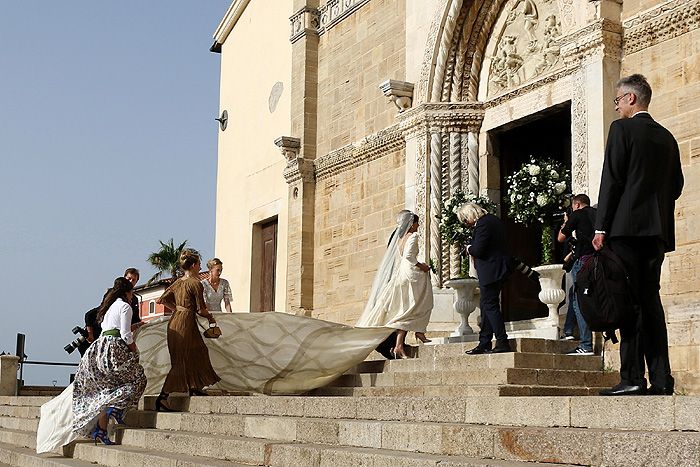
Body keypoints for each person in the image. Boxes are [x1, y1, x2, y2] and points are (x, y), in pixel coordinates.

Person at [593, 74, 684, 396]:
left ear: (631, 99)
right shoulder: (667, 137)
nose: (616, 106)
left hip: (625, 232)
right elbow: (676, 187)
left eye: (617, 100)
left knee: (629, 301)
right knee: (651, 303)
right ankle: (661, 379)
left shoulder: (622, 129)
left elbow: (612, 179)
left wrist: (600, 226)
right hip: (656, 233)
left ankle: (632, 378)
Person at [72, 277, 146, 445]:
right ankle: (117, 409)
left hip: (99, 349)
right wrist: (134, 350)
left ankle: (101, 430)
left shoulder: (109, 307)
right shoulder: (125, 307)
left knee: (108, 389)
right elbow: (126, 335)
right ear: (128, 292)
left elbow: (111, 328)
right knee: (139, 378)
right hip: (114, 347)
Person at [357, 212, 434, 359]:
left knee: (408, 307)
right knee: (421, 304)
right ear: (412, 224)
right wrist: (422, 266)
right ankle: (415, 334)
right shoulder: (413, 236)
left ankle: (415, 335)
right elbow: (409, 257)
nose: (418, 226)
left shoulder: (399, 239)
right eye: (417, 223)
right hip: (412, 273)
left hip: (402, 274)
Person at [155, 248, 221, 410]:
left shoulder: (178, 282)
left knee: (198, 351)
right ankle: (163, 397)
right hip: (185, 323)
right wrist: (211, 318)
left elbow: (162, 300)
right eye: (198, 264)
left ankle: (194, 387)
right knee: (181, 360)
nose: (200, 267)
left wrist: (178, 309)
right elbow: (201, 310)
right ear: (192, 265)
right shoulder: (195, 283)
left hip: (177, 321)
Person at [457, 203, 512, 354]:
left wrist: (469, 248)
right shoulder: (493, 220)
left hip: (491, 270)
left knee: (490, 305)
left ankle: (502, 341)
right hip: (497, 270)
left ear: (469, 215)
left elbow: (478, 250)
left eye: (465, 220)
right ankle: (484, 342)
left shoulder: (483, 224)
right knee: (486, 305)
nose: (466, 224)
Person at [557, 194, 597, 356]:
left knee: (578, 301)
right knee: (582, 296)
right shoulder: (597, 214)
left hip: (583, 262)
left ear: (577, 204)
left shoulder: (577, 215)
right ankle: (574, 333)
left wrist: (567, 220)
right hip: (598, 260)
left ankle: (586, 344)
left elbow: (560, 237)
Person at [85, 267, 143, 345]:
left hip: (120, 336)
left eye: (133, 280)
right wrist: (90, 335)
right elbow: (93, 313)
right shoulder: (112, 295)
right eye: (129, 279)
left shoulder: (134, 299)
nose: (131, 282)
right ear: (124, 278)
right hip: (103, 332)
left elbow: (135, 319)